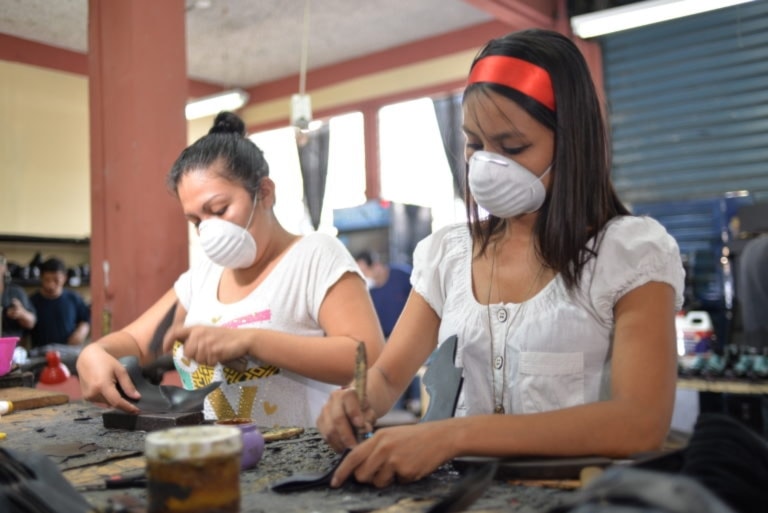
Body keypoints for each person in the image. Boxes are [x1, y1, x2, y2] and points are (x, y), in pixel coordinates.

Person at [317, 28, 685, 488]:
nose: (487, 165)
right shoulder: (448, 255)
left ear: (571, 142)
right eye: (474, 144)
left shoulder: (629, 254)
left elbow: (640, 422)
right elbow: (390, 375)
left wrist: (454, 435)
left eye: (512, 147)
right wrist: (356, 399)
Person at [76, 112, 384, 428]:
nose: (209, 230)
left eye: (219, 210)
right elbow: (139, 343)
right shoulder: (203, 277)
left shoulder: (314, 256)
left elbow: (368, 357)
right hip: (219, 460)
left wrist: (251, 342)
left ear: (264, 192)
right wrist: (94, 354)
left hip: (302, 465)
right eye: (196, 221)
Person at [354, 250, 420, 413]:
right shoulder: (369, 292)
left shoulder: (402, 276)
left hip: (414, 338)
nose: (364, 275)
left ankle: (417, 403)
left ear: (376, 266)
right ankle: (394, 411)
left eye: (364, 271)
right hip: (388, 342)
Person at [29, 257, 90, 347]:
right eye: (47, 280)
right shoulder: (32, 300)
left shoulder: (74, 298)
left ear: (64, 278)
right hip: (40, 352)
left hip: (68, 351)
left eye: (56, 280)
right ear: (41, 278)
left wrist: (80, 333)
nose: (51, 285)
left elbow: (85, 320)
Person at [0, 253, 37, 338]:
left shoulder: (16, 292)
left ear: (5, 268)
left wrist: (21, 313)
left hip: (11, 346)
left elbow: (31, 322)